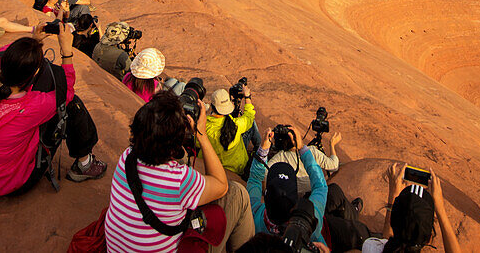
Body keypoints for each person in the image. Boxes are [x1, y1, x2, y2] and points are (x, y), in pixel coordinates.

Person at [104, 89, 255, 253]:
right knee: (238, 193)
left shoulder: (126, 157)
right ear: (174, 145)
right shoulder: (180, 180)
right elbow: (221, 185)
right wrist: (201, 135)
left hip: (118, 249)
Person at [0, 33, 107, 195]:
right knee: (72, 105)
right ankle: (85, 165)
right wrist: (66, 52)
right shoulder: (32, 106)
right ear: (35, 73)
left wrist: (32, 42)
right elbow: (66, 93)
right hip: (9, 183)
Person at [248, 126, 328, 245]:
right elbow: (320, 185)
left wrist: (263, 149)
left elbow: (255, 180)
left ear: (265, 196)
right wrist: (301, 148)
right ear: (297, 199)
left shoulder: (254, 215)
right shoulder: (311, 221)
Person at [357, 163, 459, 253]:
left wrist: (393, 195)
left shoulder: (370, 247)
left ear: (392, 222)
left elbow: (386, 241)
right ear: (429, 239)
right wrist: (440, 209)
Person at [268, 130, 342, 195]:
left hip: (294, 194)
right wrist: (332, 145)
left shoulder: (280, 156)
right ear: (297, 139)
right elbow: (334, 166)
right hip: (314, 190)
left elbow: (263, 172)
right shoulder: (312, 151)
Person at [205, 84, 256, 177]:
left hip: (217, 169)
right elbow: (249, 117)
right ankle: (259, 151)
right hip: (239, 168)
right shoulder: (236, 124)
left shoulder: (205, 127)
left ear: (212, 106)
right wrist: (247, 97)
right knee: (251, 125)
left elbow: (197, 142)